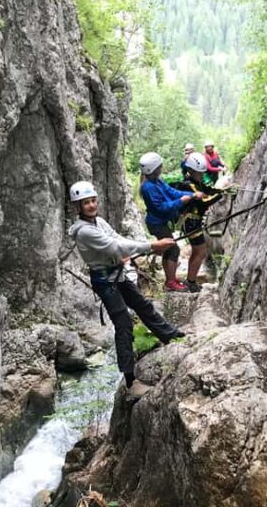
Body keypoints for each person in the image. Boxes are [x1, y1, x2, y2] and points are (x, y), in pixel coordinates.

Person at [67, 181, 185, 389]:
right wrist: (151, 246)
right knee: (123, 323)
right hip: (105, 281)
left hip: (115, 274)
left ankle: (170, 335)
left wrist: (126, 254)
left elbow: (116, 239)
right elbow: (115, 246)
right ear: (78, 206)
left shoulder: (99, 222)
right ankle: (130, 380)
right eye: (86, 203)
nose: (92, 205)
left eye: (93, 201)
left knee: (142, 305)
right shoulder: (84, 231)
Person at [138, 151, 203, 292]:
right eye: (160, 166)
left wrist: (192, 195)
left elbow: (171, 192)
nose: (161, 168)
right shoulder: (148, 187)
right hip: (157, 224)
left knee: (169, 249)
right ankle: (170, 282)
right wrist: (181, 201)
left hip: (161, 222)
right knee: (173, 249)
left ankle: (170, 279)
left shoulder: (157, 181)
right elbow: (161, 208)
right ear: (154, 168)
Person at [170, 152, 227, 292]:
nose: (201, 175)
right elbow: (203, 203)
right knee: (200, 251)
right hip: (190, 222)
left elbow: (208, 189)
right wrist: (220, 195)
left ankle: (191, 280)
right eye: (198, 173)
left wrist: (223, 190)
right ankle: (191, 281)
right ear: (190, 171)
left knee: (198, 251)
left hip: (193, 222)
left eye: (202, 173)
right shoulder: (188, 185)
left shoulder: (197, 183)